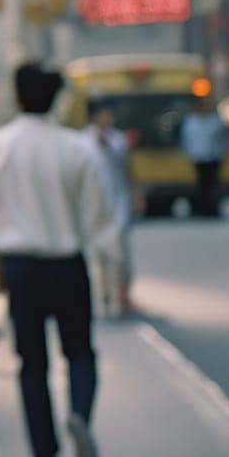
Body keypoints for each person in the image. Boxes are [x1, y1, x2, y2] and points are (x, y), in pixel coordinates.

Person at [0, 63, 115, 457]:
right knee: (80, 351)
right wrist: (106, 270)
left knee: (32, 363)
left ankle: (45, 456)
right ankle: (80, 413)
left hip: (21, 268)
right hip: (68, 265)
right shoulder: (77, 149)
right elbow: (98, 220)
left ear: (16, 95)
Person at [82, 100, 138, 315]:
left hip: (118, 205)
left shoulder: (117, 139)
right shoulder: (82, 141)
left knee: (121, 256)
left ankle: (122, 294)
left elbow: (126, 168)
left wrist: (135, 195)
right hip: (94, 209)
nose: (108, 119)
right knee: (98, 257)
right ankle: (103, 295)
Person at [179, 96, 229, 216]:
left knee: (213, 185)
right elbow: (186, 139)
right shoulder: (191, 122)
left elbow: (221, 139)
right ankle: (200, 208)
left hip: (213, 158)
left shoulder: (214, 121)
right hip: (198, 158)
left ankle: (213, 208)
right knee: (201, 185)